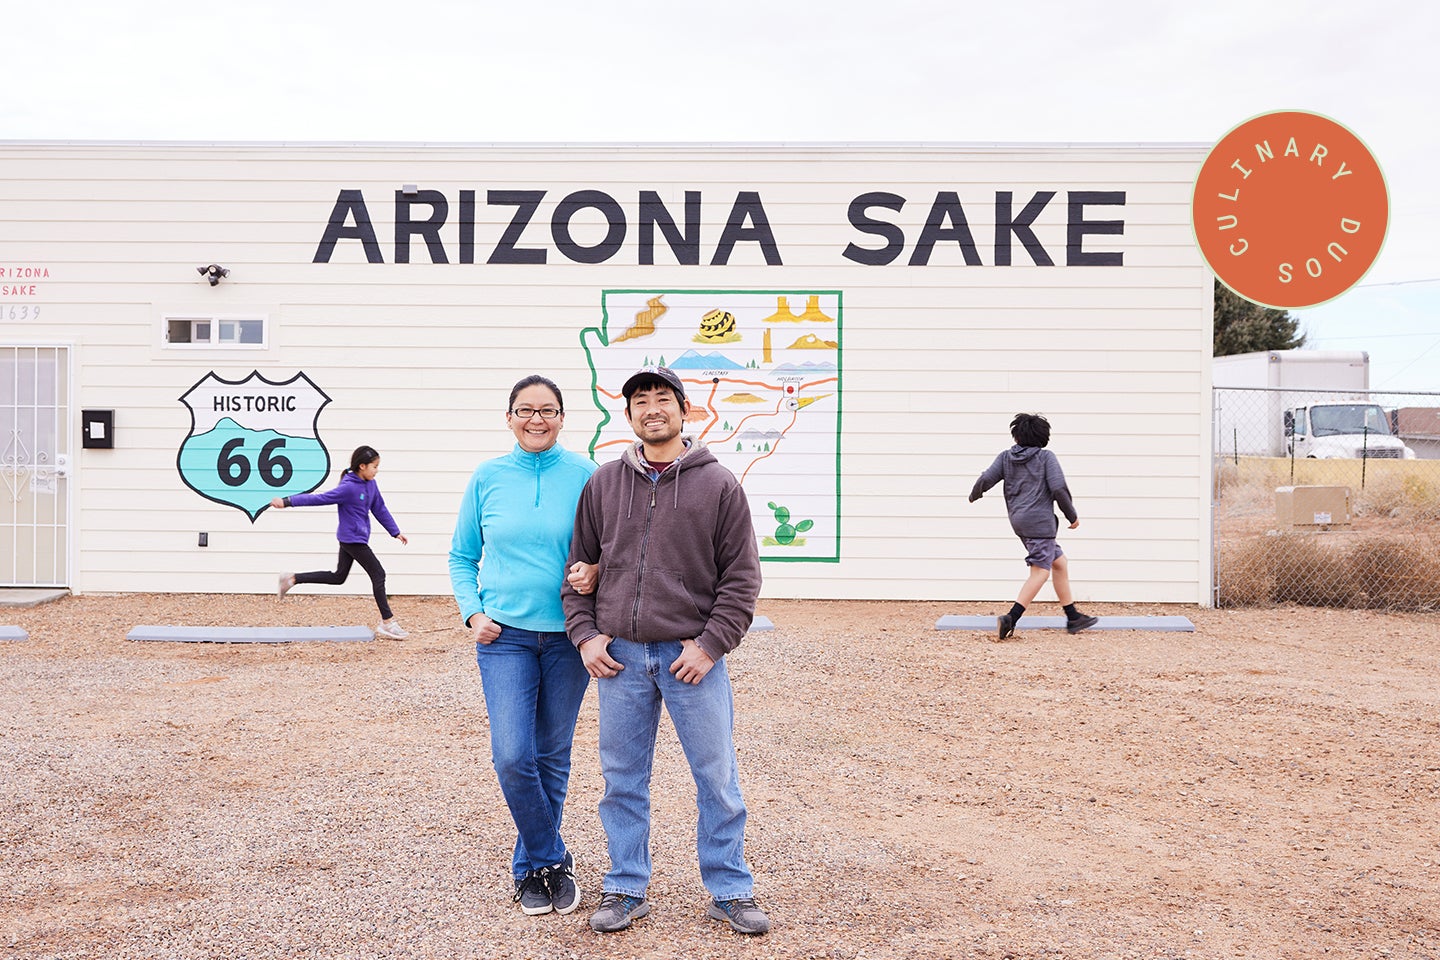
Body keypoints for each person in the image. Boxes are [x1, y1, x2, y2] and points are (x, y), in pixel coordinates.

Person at [562, 365, 769, 936]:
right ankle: (626, 887)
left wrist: (710, 646)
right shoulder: (604, 483)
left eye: (663, 398)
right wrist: (586, 635)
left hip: (691, 660)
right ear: (628, 416)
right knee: (622, 780)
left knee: (716, 777)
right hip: (619, 659)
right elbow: (577, 569)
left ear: (685, 410)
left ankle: (729, 889)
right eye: (640, 401)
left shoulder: (719, 484)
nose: (652, 408)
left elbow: (741, 580)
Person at [448, 374, 599, 918]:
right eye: (526, 410)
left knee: (552, 755)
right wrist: (473, 612)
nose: (537, 419)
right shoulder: (487, 477)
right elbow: (462, 557)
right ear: (508, 416)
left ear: (562, 417)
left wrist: (597, 571)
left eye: (548, 410)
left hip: (568, 637)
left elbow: (612, 549)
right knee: (513, 755)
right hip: (504, 639)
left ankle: (530, 873)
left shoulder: (588, 475)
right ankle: (553, 857)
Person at [968, 412, 1099, 640]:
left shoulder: (1005, 457)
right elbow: (1058, 488)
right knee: (1040, 571)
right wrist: (1072, 516)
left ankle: (1073, 616)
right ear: (1043, 437)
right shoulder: (1045, 457)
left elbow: (986, 478)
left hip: (1019, 521)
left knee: (1059, 563)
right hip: (1040, 523)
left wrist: (974, 494)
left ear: (1016, 436)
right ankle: (1011, 618)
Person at [272, 444, 410, 639]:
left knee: (339, 577)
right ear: (362, 466)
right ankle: (387, 622)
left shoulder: (371, 484)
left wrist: (395, 531)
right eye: (374, 466)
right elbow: (318, 498)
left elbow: (379, 508)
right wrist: (287, 501)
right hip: (352, 539)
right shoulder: (348, 488)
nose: (376, 470)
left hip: (355, 537)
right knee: (378, 574)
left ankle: (292, 578)